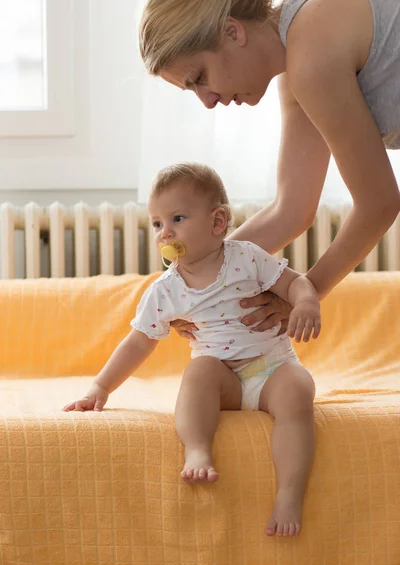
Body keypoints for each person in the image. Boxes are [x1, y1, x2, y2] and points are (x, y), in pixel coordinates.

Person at [63, 163, 321, 537]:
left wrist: (307, 303)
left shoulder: (247, 257)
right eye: (156, 224)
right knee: (198, 372)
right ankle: (197, 448)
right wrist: (100, 388)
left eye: (177, 218)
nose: (164, 232)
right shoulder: (166, 290)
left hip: (271, 368)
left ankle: (289, 494)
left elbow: (293, 283)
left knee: (299, 387)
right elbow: (139, 340)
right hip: (224, 381)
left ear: (218, 222)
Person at [139, 0, 400, 340]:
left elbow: (378, 203)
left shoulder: (311, 56)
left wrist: (303, 294)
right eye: (193, 90)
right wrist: (194, 283)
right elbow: (290, 210)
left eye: (200, 78)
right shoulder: (298, 67)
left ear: (233, 31)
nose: (207, 101)